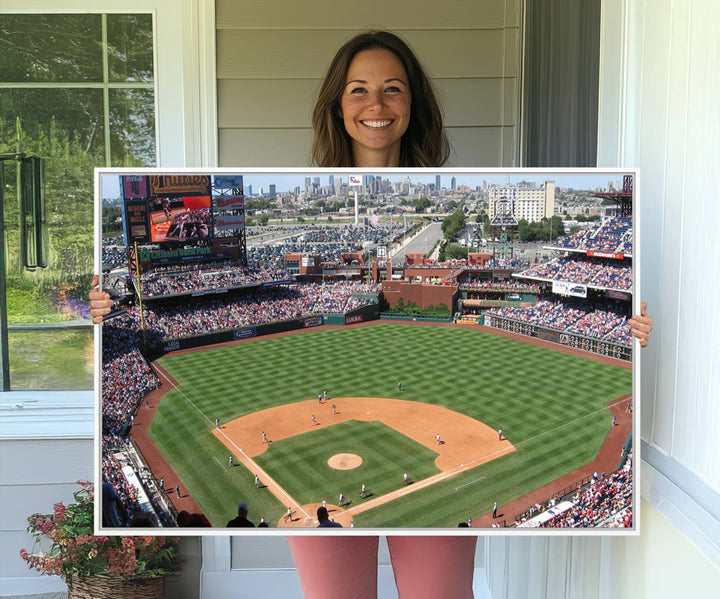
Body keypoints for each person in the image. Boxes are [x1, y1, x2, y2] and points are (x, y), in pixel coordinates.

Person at [87, 28, 654, 599]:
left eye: (393, 89)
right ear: (337, 105)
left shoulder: (482, 172)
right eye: (358, 89)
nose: (375, 104)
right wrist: (96, 312)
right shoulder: (280, 174)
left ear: (414, 105)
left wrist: (635, 330)